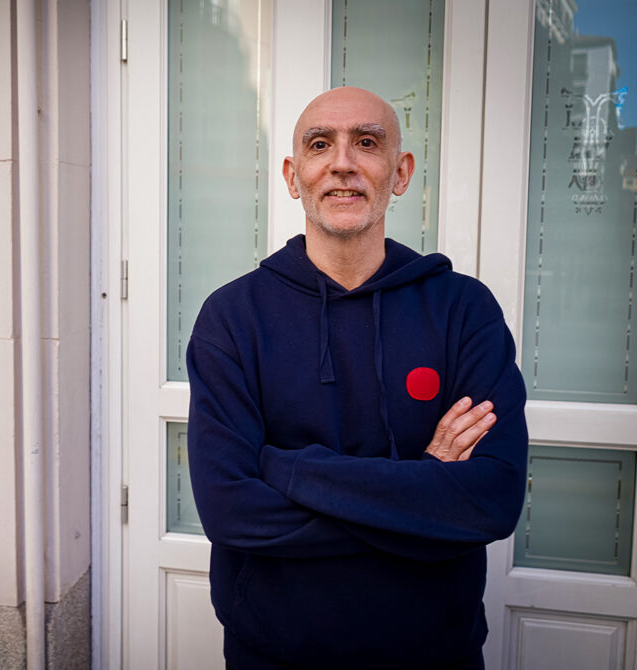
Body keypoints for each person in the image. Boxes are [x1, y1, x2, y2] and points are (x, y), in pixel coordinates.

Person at [186, 87, 528, 670]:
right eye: (320, 145)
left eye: (366, 143)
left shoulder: (463, 311)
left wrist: (284, 467)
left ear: (400, 172)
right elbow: (229, 509)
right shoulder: (232, 317)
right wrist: (424, 489)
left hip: (434, 651)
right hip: (273, 652)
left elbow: (490, 500)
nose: (342, 162)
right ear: (294, 176)